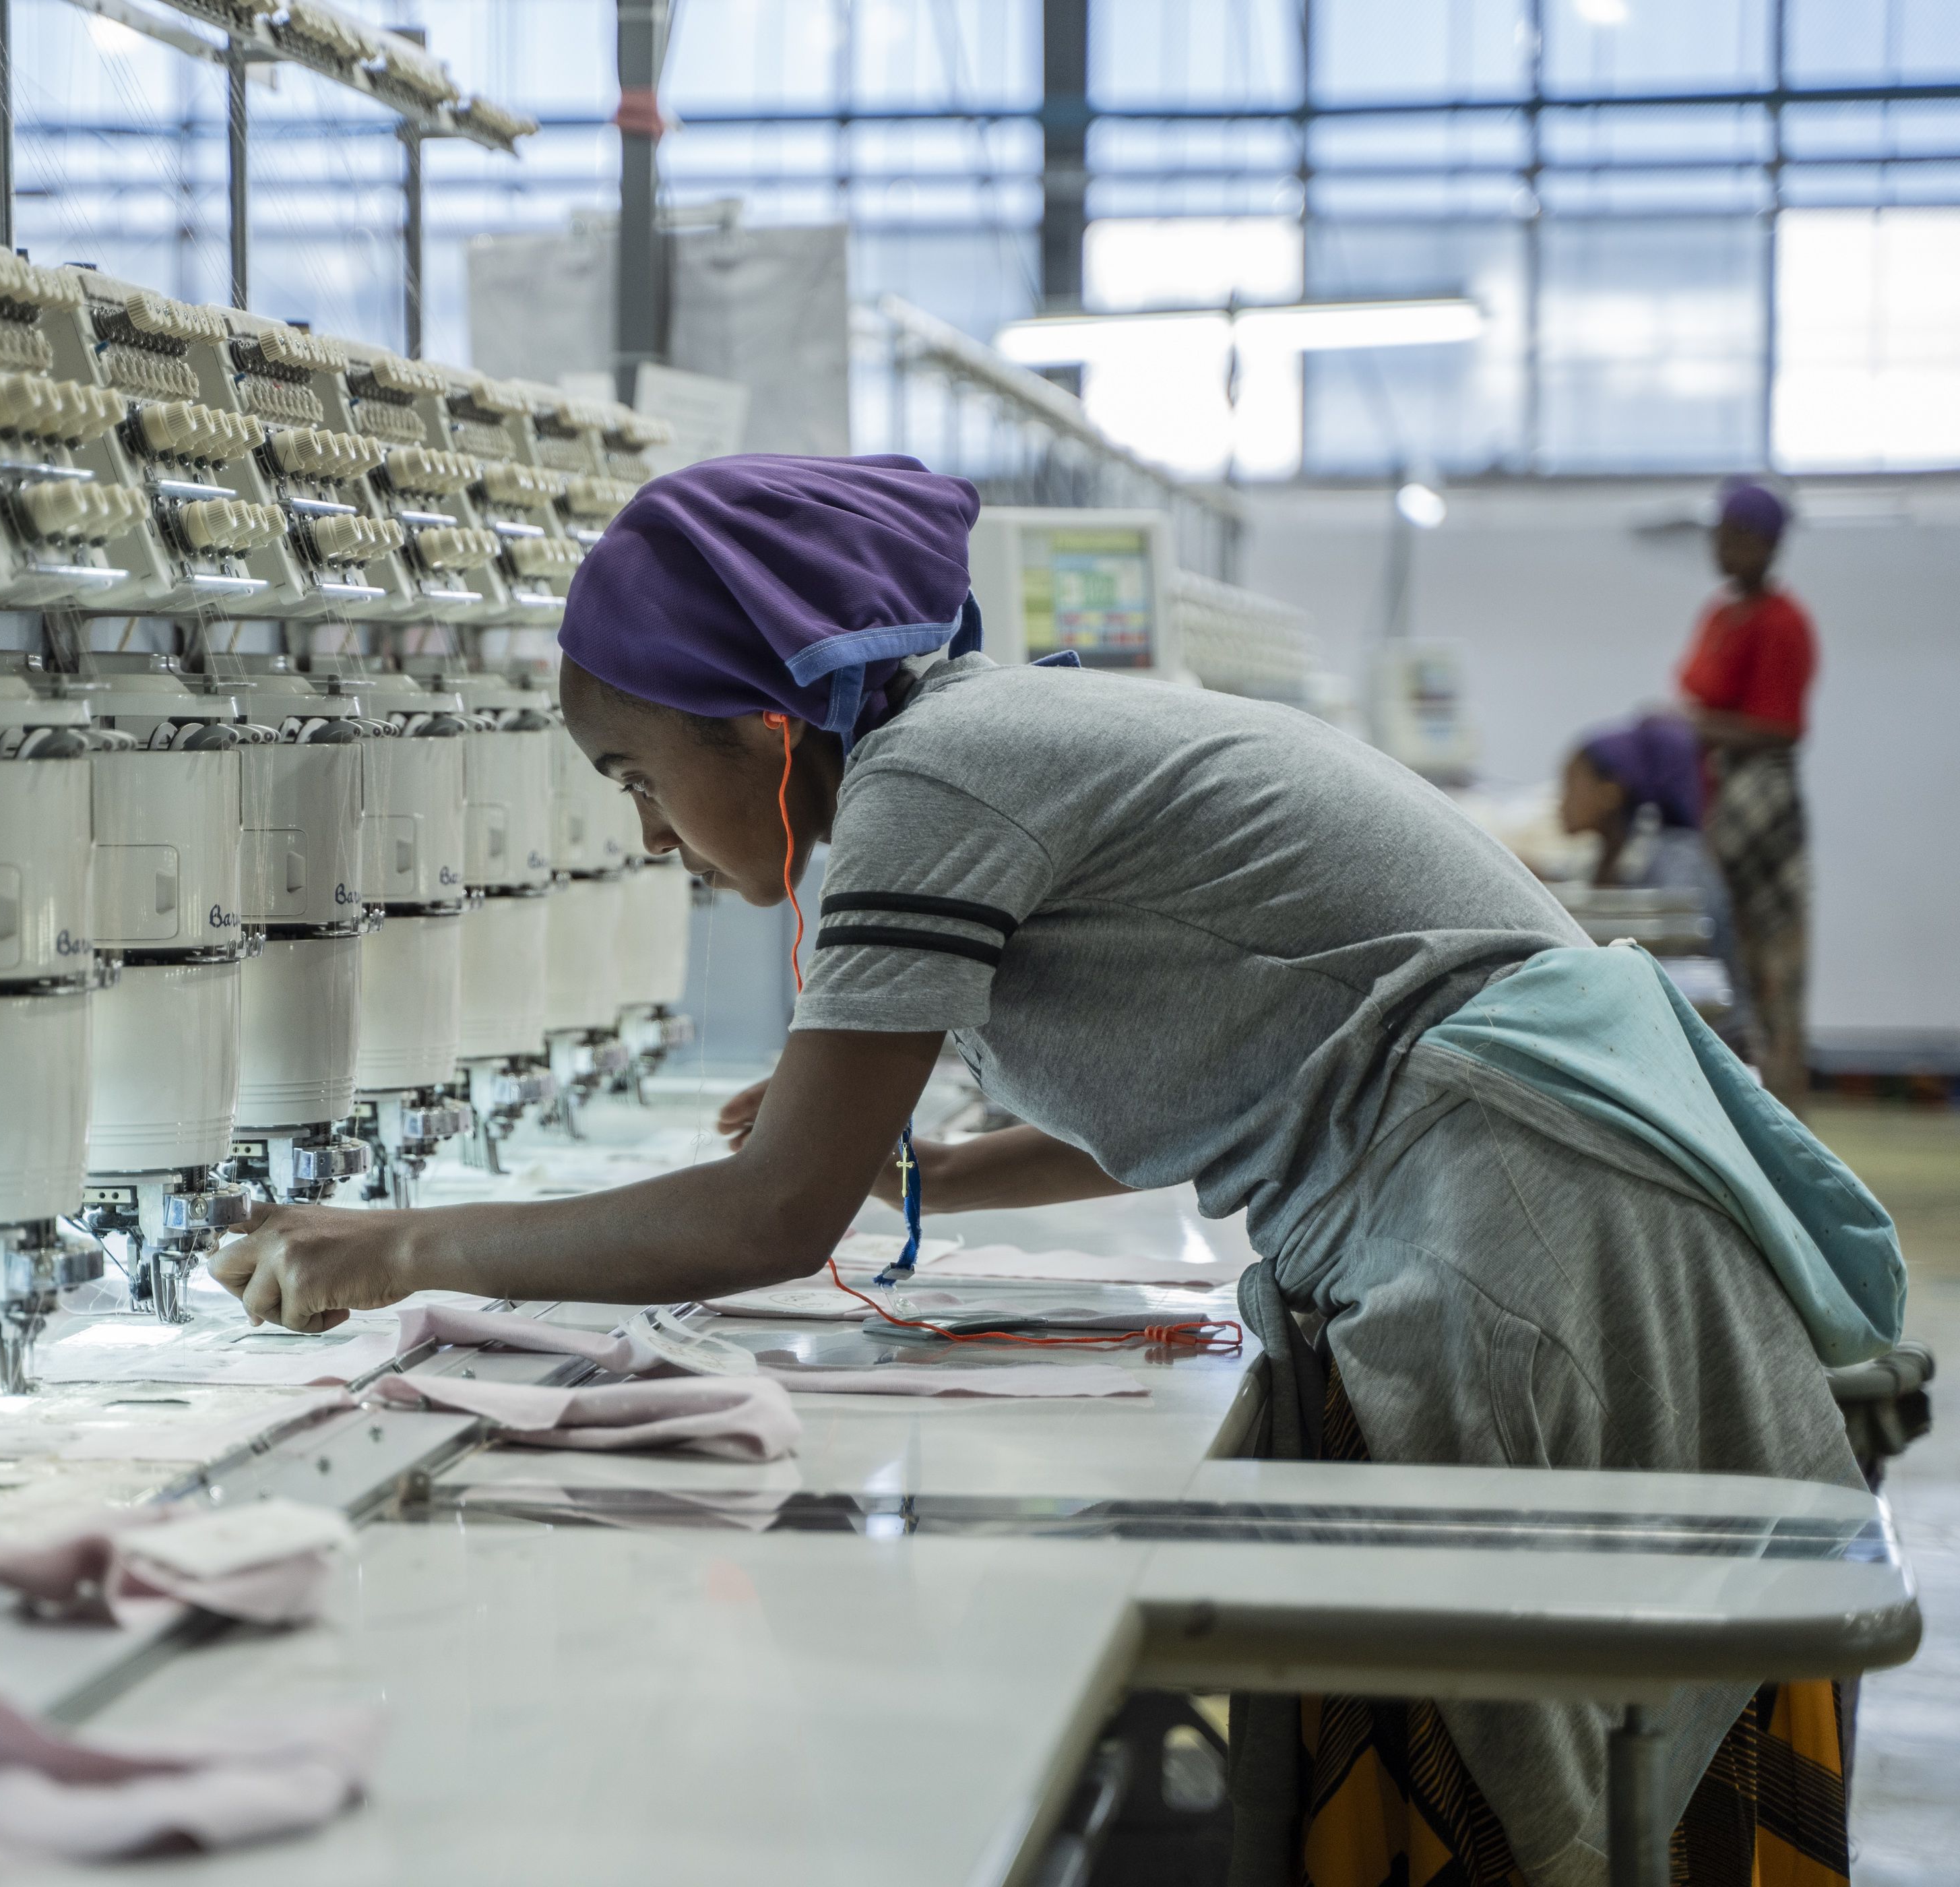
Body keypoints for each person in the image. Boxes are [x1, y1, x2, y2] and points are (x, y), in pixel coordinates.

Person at [213, 454, 1897, 1887]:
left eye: (643, 780)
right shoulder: (988, 741)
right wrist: (920, 1169)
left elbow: (766, 1217)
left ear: (765, 730)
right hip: (1530, 1204)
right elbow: (1200, 1075)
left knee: (1586, 1779)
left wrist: (401, 1249)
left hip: (1540, 1246)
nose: (650, 837)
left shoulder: (930, 782)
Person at [1676, 480, 1817, 1105]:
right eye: (1718, 534)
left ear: (1766, 545)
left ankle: (1786, 1114)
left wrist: (1699, 726)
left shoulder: (1784, 624)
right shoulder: (1719, 615)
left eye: (1734, 536)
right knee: (1728, 960)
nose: (1720, 547)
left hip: (1760, 809)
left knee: (1772, 974)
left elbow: (1780, 727)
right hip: (1718, 798)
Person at [1557, 712, 1740, 1019]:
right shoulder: (1609, 855)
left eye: (1572, 785)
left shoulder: (1677, 862)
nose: (1561, 802)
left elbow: (1674, 967)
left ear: (1610, 792)